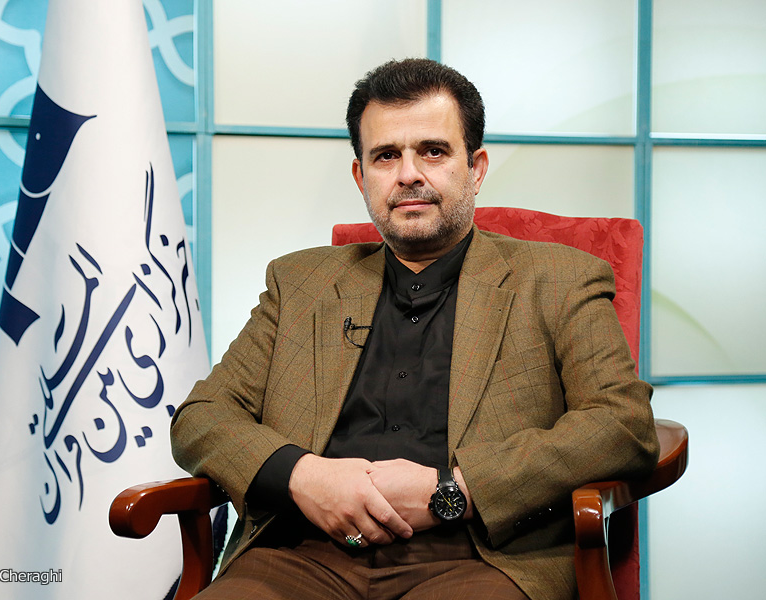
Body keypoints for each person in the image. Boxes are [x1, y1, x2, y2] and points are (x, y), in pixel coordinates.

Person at [171, 58, 659, 600]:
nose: (408, 174)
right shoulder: (299, 283)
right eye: (386, 156)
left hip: (481, 560)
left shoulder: (559, 279)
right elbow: (202, 417)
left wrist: (452, 490)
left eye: (433, 151)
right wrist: (304, 476)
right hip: (298, 557)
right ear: (361, 177)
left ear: (475, 168)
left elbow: (622, 423)